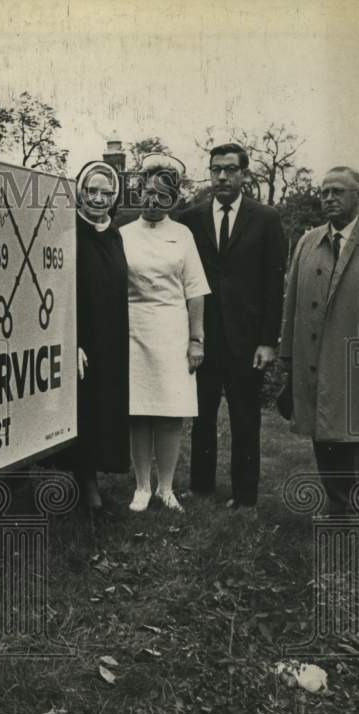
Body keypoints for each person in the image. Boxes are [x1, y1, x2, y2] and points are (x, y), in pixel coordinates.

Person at [279, 166, 359, 517]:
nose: (329, 198)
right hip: (315, 357)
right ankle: (338, 505)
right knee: (324, 433)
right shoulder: (308, 240)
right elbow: (291, 301)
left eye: (338, 191)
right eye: (324, 192)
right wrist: (288, 354)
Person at [178, 143, 287, 509]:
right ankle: (201, 487)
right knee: (202, 416)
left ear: (244, 174)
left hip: (246, 338)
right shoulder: (189, 219)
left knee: (245, 419)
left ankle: (245, 496)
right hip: (202, 335)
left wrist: (267, 341)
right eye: (215, 169)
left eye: (229, 169)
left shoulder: (266, 219)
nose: (221, 176)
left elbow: (274, 285)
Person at [120, 154, 210, 512]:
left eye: (162, 196)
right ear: (139, 192)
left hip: (173, 330)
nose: (154, 201)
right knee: (139, 412)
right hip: (133, 329)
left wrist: (196, 339)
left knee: (171, 413)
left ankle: (166, 488)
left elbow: (195, 289)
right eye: (148, 193)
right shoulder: (123, 234)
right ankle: (142, 487)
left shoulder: (183, 235)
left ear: (173, 199)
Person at [73, 161, 131, 509]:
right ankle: (86, 482)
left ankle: (99, 471)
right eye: (92, 191)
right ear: (80, 192)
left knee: (106, 405)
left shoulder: (115, 234)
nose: (98, 198)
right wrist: (72, 340)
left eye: (106, 192)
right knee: (84, 408)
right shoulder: (68, 231)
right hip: (82, 336)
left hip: (111, 334)